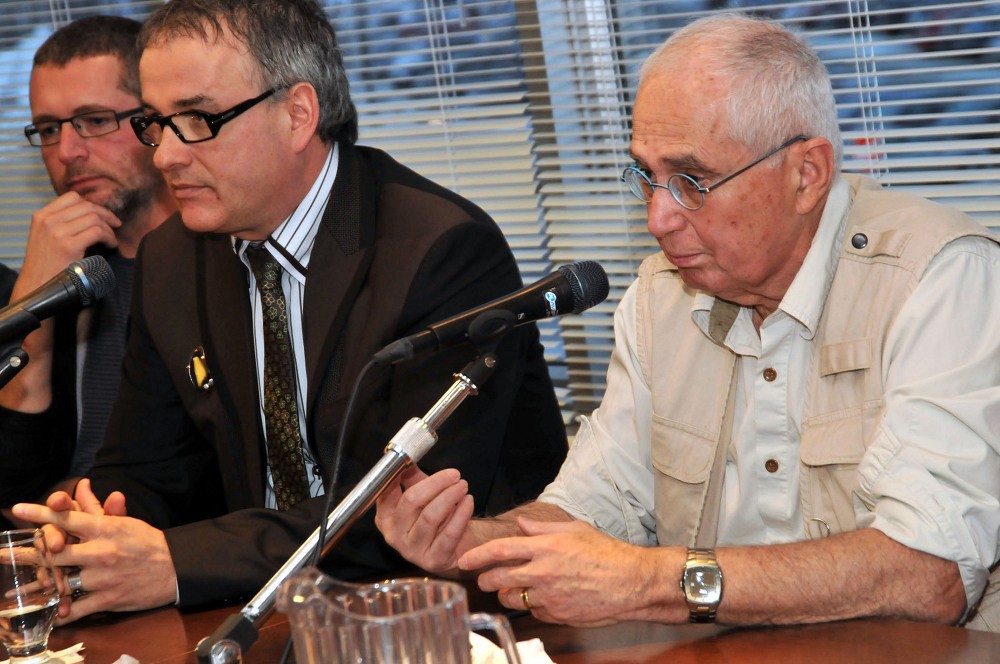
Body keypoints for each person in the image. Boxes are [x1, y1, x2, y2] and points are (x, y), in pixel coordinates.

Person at [374, 13, 1000, 630]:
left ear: (806, 174)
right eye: (647, 177)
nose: (658, 219)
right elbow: (596, 508)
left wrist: (654, 583)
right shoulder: (660, 297)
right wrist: (472, 544)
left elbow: (932, 572)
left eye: (691, 181)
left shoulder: (939, 278)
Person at [11, 0, 566, 622]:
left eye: (196, 118)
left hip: (448, 616)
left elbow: (391, 510)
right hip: (266, 614)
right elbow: (145, 467)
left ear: (298, 114)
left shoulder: (439, 249)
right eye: (155, 122)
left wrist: (176, 562)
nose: (165, 155)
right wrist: (93, 530)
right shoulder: (174, 257)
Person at [0, 16, 176, 511]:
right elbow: (11, 486)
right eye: (49, 129)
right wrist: (34, 297)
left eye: (96, 121)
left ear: (154, 122)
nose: (68, 152)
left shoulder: (221, 262)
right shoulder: (65, 269)